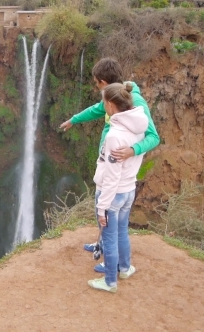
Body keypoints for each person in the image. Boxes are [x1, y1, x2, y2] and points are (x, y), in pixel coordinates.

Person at [59, 57, 159, 273]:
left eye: (97, 83)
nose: (97, 89)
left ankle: (111, 264)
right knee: (107, 218)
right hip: (109, 167)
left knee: (109, 217)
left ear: (104, 83)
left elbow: (153, 136)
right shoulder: (116, 97)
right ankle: (102, 246)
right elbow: (96, 109)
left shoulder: (135, 103)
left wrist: (133, 150)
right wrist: (73, 120)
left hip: (119, 172)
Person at [87, 82, 148, 293]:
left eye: (103, 102)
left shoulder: (114, 136)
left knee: (110, 238)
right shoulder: (139, 127)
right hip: (129, 190)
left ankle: (110, 281)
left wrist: (102, 206)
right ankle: (125, 268)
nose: (102, 105)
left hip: (113, 194)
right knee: (122, 232)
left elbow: (112, 177)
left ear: (111, 105)